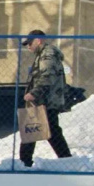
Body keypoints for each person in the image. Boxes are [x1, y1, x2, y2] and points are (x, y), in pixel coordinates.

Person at [19, 29, 72, 167]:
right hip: (45, 100)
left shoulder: (47, 55)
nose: (28, 47)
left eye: (30, 43)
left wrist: (34, 93)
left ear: (38, 40)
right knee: (39, 131)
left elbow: (47, 77)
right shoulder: (43, 54)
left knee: (35, 130)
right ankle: (65, 159)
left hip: (45, 101)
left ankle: (24, 163)